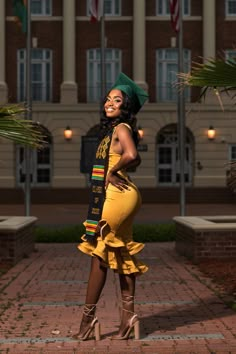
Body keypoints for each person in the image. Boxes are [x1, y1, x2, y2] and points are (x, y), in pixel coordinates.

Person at [73, 73, 149, 341]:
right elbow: (129, 158)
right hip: (121, 194)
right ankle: (128, 318)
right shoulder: (113, 130)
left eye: (117, 100)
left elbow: (131, 155)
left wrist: (111, 171)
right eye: (108, 99)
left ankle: (87, 319)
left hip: (118, 196)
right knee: (122, 253)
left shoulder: (121, 128)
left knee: (99, 253)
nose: (110, 102)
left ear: (125, 106)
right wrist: (113, 172)